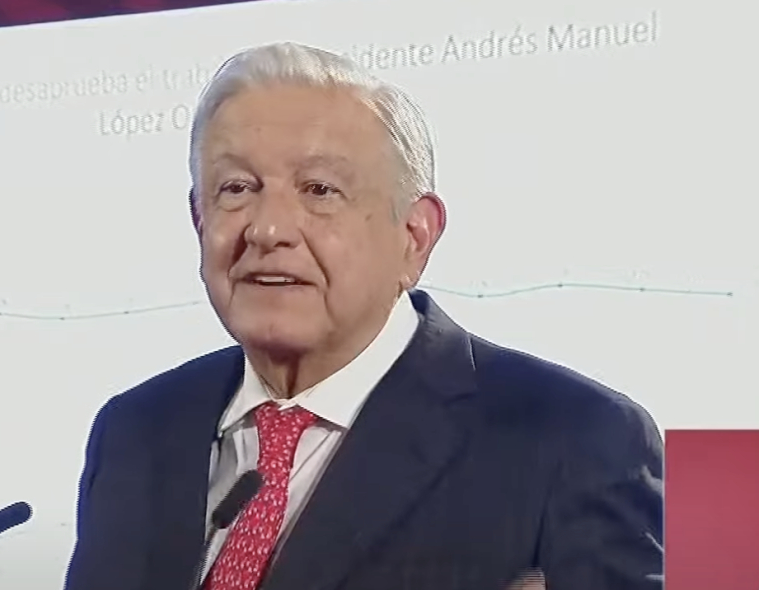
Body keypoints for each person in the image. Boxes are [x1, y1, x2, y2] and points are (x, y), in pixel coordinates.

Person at [63, 42, 663, 590]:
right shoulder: (135, 431)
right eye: (237, 189)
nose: (267, 230)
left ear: (415, 236)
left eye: (319, 190)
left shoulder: (575, 440)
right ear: (200, 221)